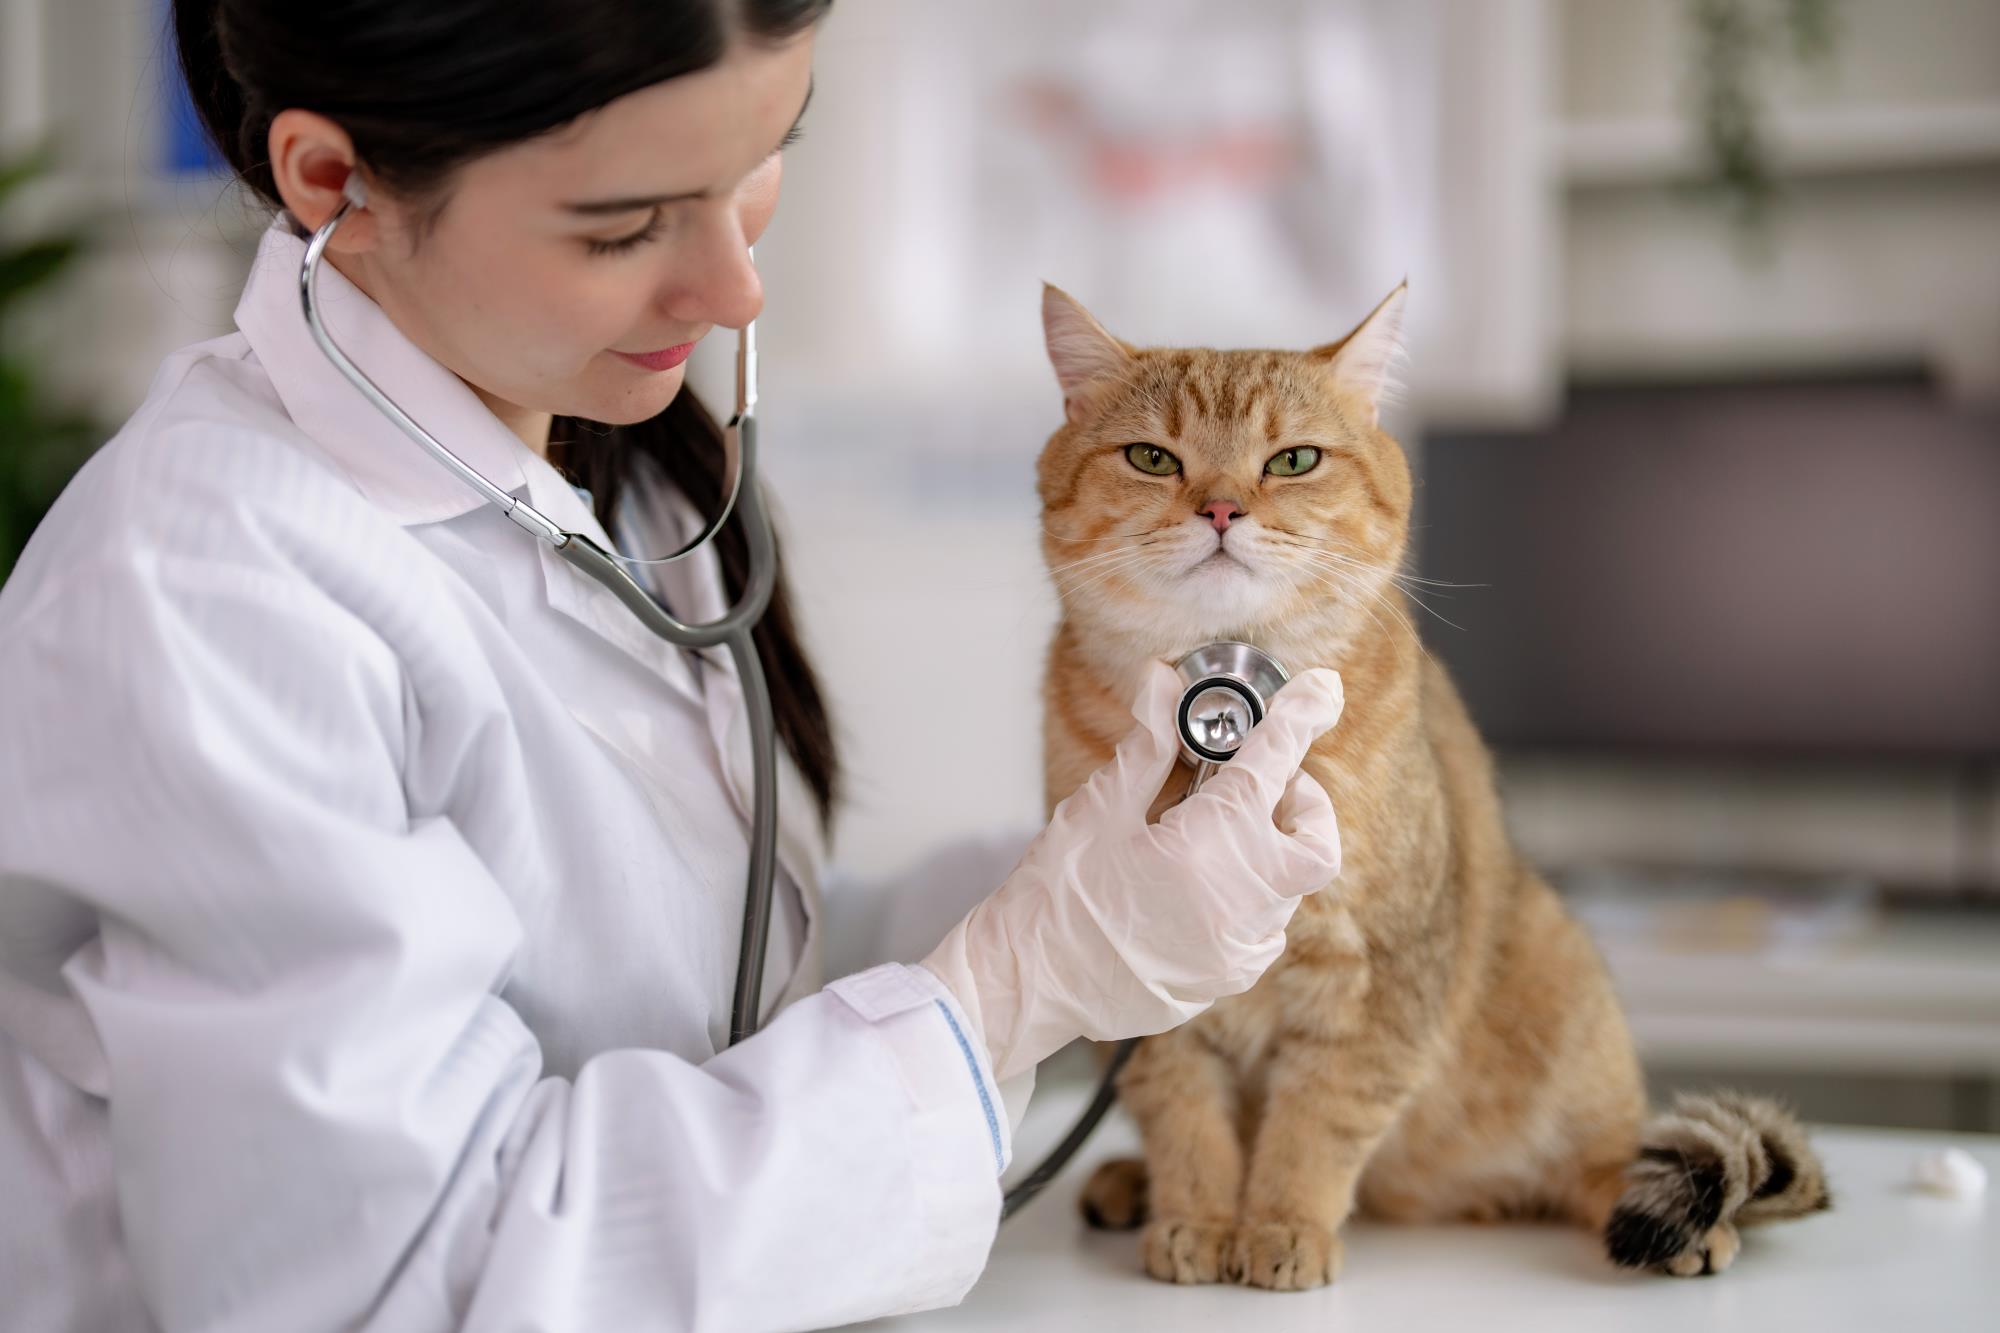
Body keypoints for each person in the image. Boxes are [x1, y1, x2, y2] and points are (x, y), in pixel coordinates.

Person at [0, 3, 1345, 1329]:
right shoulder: (206, 590)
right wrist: (1018, 979)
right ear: (333, 180)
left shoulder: (618, 467)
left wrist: (1063, 893)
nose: (735, 285)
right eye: (628, 223)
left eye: (762, 158)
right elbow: (391, 1282)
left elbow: (711, 980)